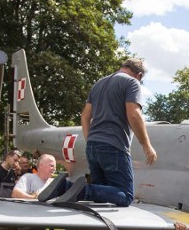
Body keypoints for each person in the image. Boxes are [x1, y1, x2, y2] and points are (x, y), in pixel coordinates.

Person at [57, 58, 157, 206]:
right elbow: (134, 114)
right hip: (114, 146)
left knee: (101, 197)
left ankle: (64, 188)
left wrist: (89, 138)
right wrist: (147, 146)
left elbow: (85, 115)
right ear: (139, 75)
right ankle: (68, 188)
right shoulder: (131, 82)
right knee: (125, 196)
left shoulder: (99, 83)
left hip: (93, 146)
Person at [10, 154, 63, 230]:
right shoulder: (28, 178)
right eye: (51, 165)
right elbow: (15, 193)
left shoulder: (53, 184)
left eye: (55, 166)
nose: (54, 168)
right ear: (41, 165)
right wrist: (32, 198)